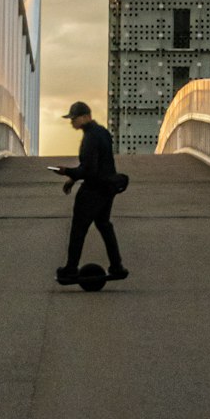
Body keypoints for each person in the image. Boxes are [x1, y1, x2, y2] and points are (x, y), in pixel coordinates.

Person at [53, 101, 129, 283]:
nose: (72, 122)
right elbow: (100, 164)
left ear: (86, 116)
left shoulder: (90, 138)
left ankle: (71, 269)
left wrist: (67, 172)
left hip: (93, 190)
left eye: (74, 118)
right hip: (107, 188)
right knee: (104, 224)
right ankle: (117, 266)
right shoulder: (101, 132)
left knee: (78, 229)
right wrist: (73, 178)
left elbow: (89, 170)